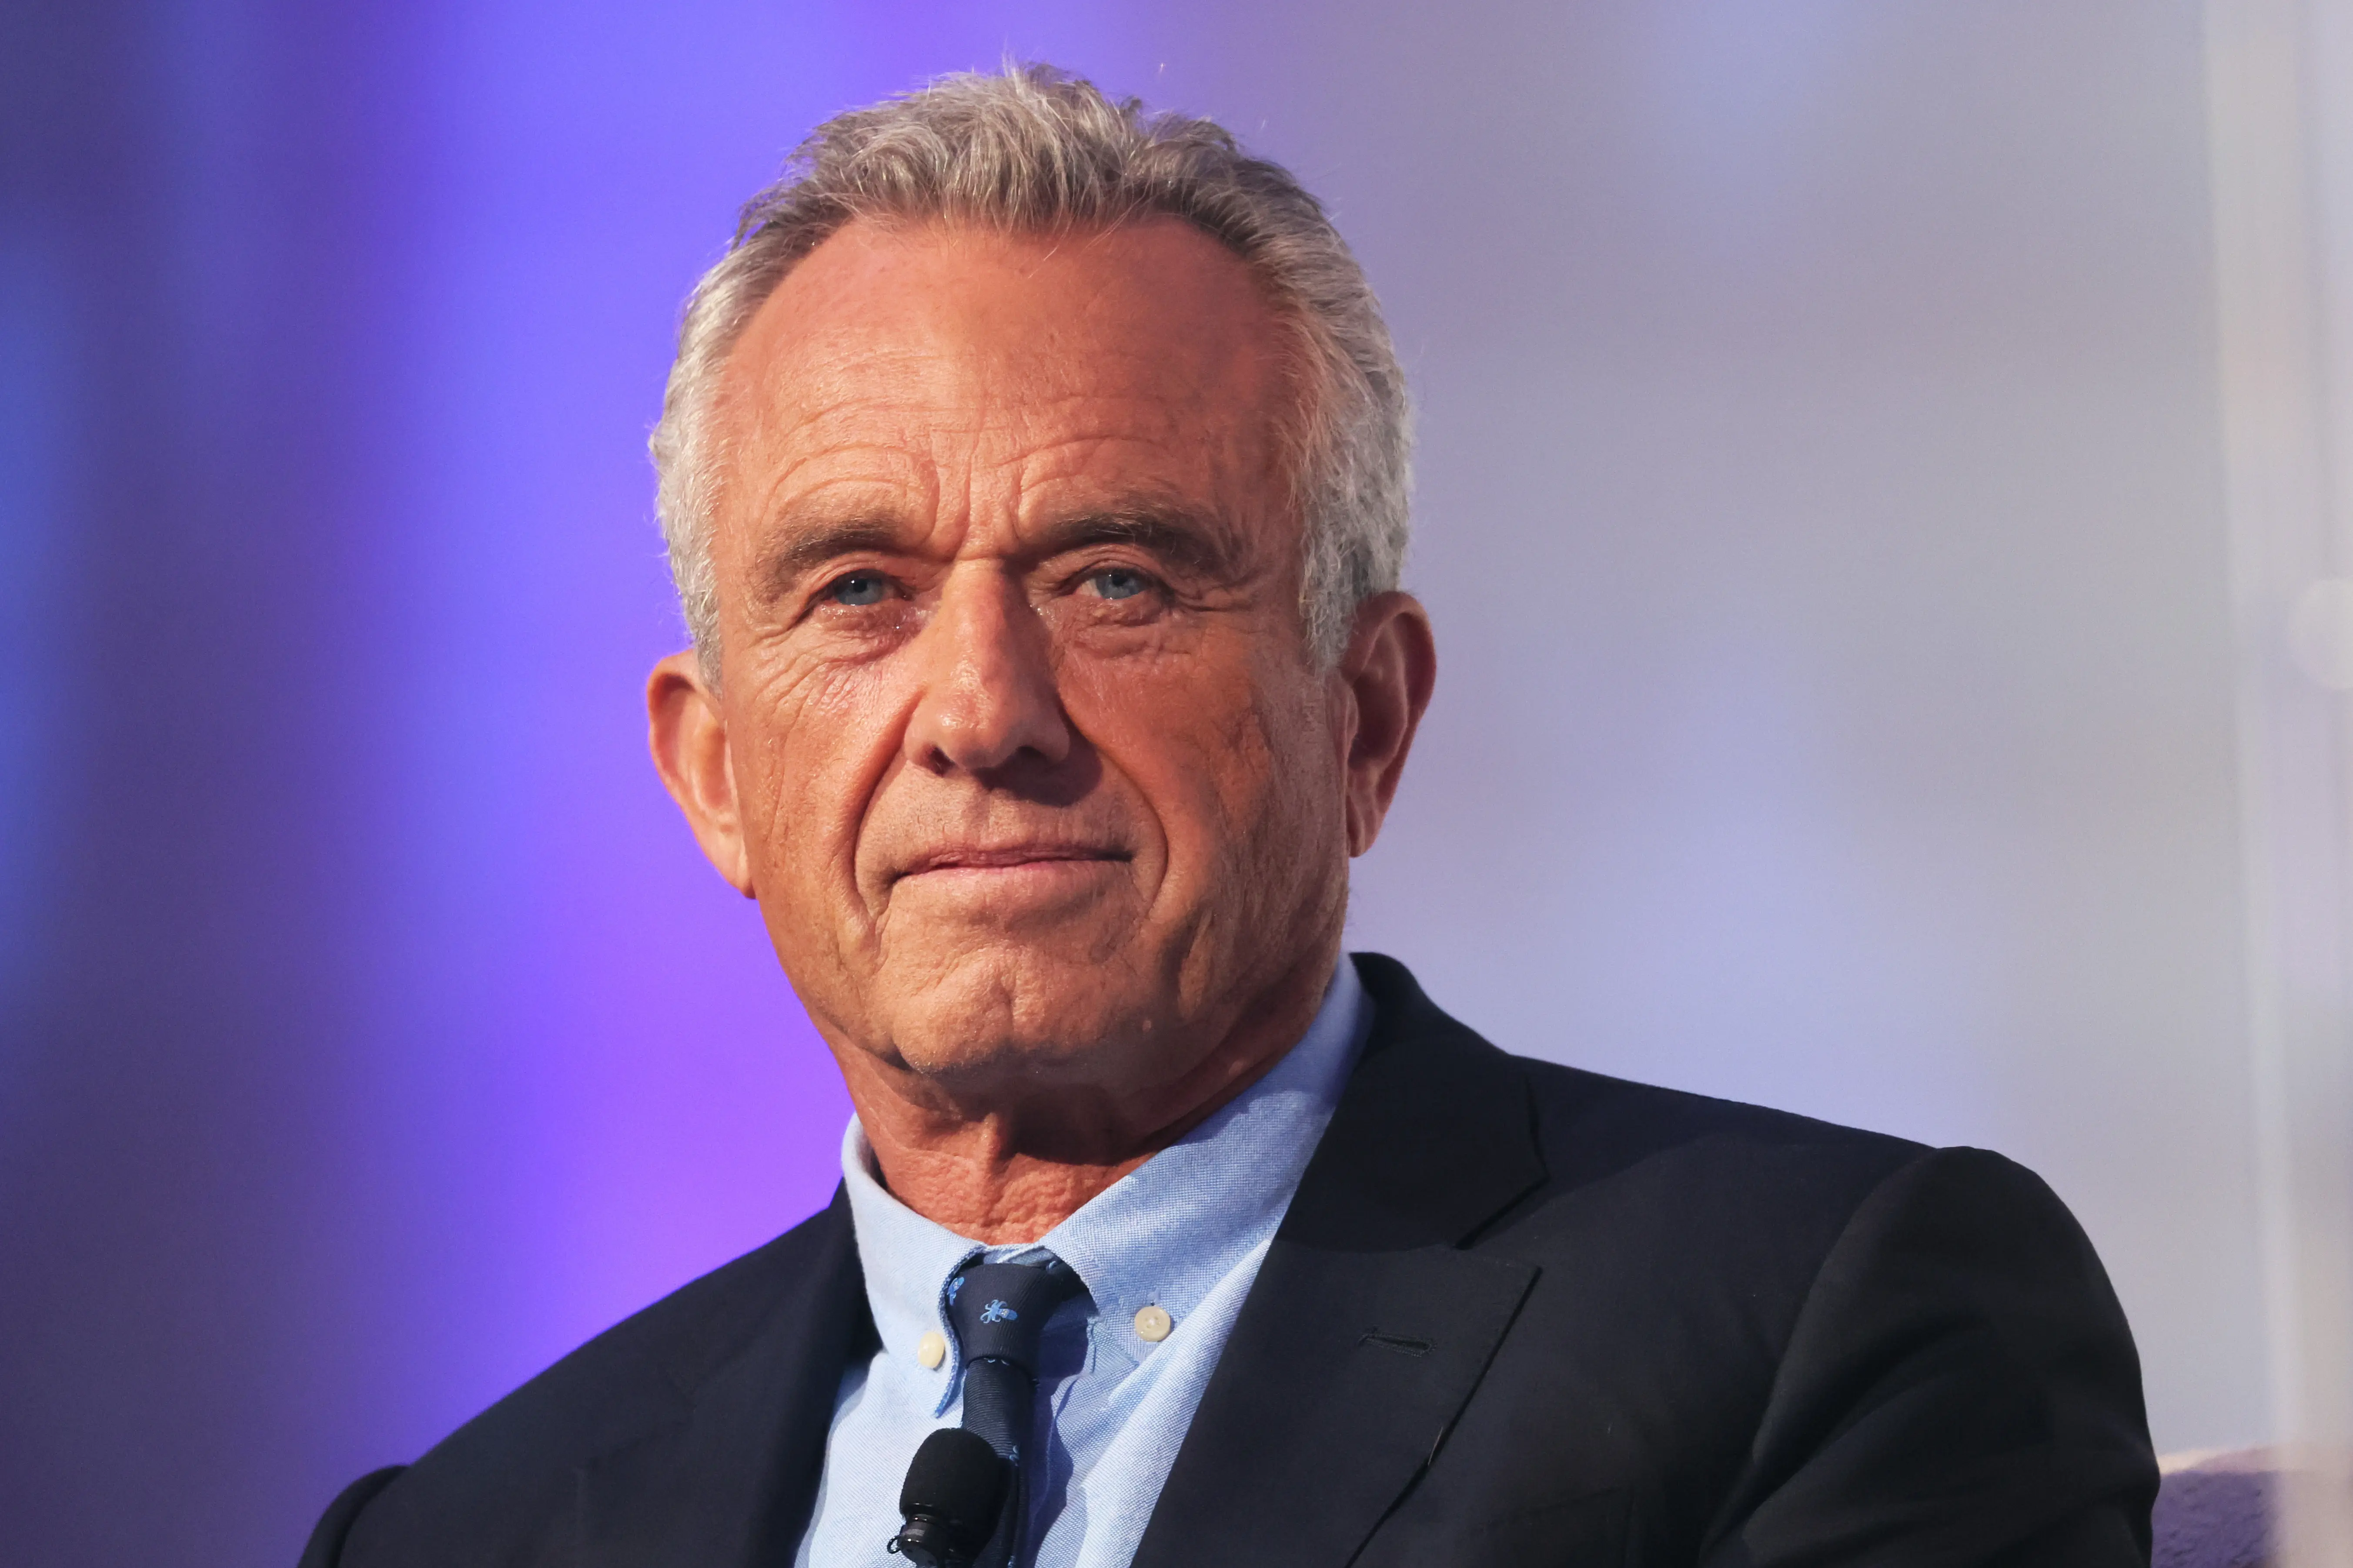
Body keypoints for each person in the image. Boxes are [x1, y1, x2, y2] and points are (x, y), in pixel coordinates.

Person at [300, 65, 2157, 1568]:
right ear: (714, 771)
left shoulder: (1822, 1334)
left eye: (1113, 579)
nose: (980, 713)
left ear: (1364, 716)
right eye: (858, 589)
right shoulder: (462, 1527)